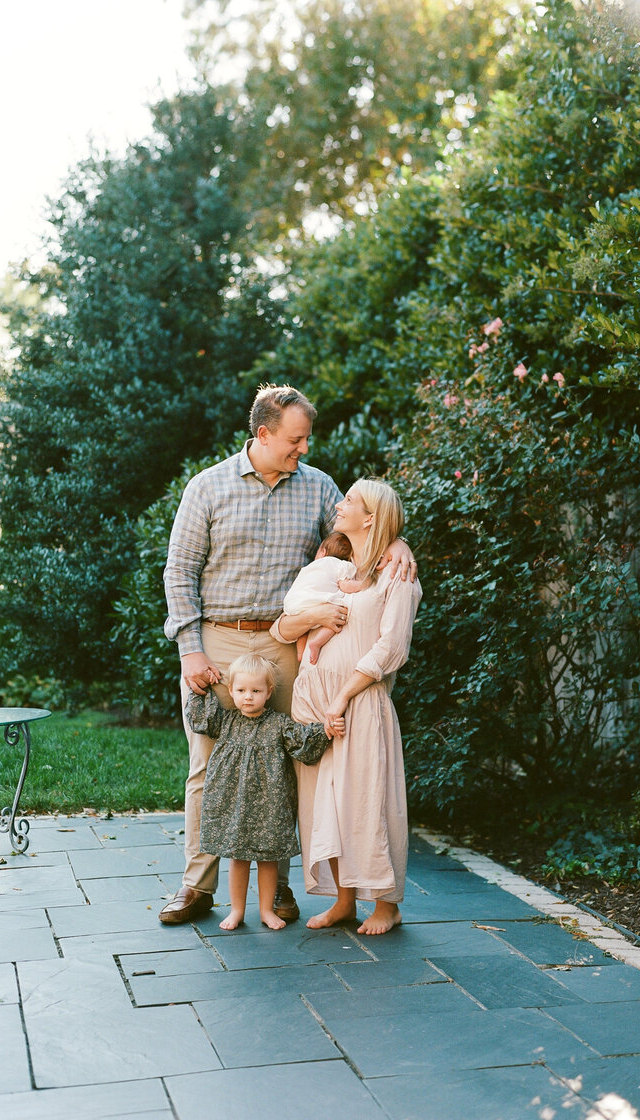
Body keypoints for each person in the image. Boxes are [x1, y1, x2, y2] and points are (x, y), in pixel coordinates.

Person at [160, 384, 417, 926]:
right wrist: (190, 650)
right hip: (219, 642)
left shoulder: (319, 487)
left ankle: (275, 889)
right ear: (264, 433)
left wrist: (397, 542)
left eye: (306, 439)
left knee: (287, 765)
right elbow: (179, 572)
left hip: (287, 644)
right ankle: (197, 885)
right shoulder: (207, 487)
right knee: (209, 764)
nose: (304, 448)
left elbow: (357, 534)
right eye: (296, 439)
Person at [271, 478, 422, 936]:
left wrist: (342, 697)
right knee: (324, 806)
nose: (340, 505)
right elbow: (282, 629)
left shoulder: (397, 573)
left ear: (371, 518)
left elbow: (391, 648)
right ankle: (343, 900)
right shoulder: (335, 571)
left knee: (367, 803)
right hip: (314, 702)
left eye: (350, 500)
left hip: (358, 701)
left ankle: (386, 904)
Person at [187, 653, 343, 930]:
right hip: (235, 803)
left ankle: (266, 910)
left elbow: (302, 741)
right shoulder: (226, 721)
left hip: (270, 804)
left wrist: (327, 729)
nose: (248, 697)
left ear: (269, 692)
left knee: (269, 859)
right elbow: (201, 719)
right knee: (238, 858)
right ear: (231, 690)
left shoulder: (279, 723)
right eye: (241, 690)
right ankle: (236, 910)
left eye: (256, 691)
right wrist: (203, 689)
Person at [283, 531, 368, 664]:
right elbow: (345, 586)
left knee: (304, 627)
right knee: (341, 612)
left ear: (322, 552)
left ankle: (300, 653)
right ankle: (317, 643)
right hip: (317, 601)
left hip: (293, 604)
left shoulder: (310, 567)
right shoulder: (341, 565)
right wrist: (364, 585)